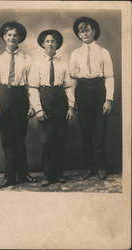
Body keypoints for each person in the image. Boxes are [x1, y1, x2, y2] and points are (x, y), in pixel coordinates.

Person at [0, 21, 37, 189]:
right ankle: (9, 176)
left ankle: (23, 173)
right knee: (8, 139)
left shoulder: (27, 59)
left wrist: (32, 105)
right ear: (4, 37)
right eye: (9, 35)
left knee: (20, 137)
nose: (12, 37)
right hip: (5, 97)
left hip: (20, 97)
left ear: (20, 38)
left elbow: (31, 84)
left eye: (15, 35)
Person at [70, 16, 114, 180]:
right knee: (85, 130)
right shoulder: (75, 53)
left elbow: (109, 76)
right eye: (81, 31)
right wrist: (72, 100)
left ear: (94, 31)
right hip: (81, 90)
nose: (84, 34)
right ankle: (89, 167)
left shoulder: (103, 52)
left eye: (87, 30)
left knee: (100, 130)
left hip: (98, 90)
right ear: (78, 35)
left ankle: (102, 166)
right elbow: (73, 78)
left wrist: (108, 99)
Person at [28, 29, 75, 186]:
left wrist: (70, 106)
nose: (50, 43)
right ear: (42, 44)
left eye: (53, 41)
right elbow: (33, 87)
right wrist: (38, 109)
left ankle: (59, 172)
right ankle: (47, 174)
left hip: (60, 100)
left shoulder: (63, 64)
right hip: (45, 99)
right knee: (47, 140)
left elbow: (68, 86)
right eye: (47, 41)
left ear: (57, 44)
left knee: (60, 138)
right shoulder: (37, 64)